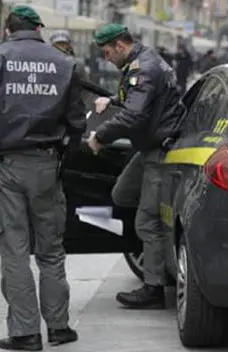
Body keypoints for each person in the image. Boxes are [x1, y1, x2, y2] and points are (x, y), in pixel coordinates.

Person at [0, 5, 86, 351]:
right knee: (51, 251)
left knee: (14, 250)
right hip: (48, 164)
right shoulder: (64, 63)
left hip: (7, 165)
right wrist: (62, 157)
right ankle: (60, 327)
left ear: (8, 30)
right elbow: (78, 123)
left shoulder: (2, 57)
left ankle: (25, 332)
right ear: (38, 29)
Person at [87, 24, 180, 309]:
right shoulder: (140, 64)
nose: (105, 59)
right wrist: (112, 100)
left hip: (159, 153)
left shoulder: (143, 68)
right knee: (122, 194)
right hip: (148, 149)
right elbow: (139, 99)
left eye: (106, 52)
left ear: (119, 45)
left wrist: (100, 137)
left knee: (146, 221)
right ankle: (160, 243)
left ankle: (153, 288)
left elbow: (134, 116)